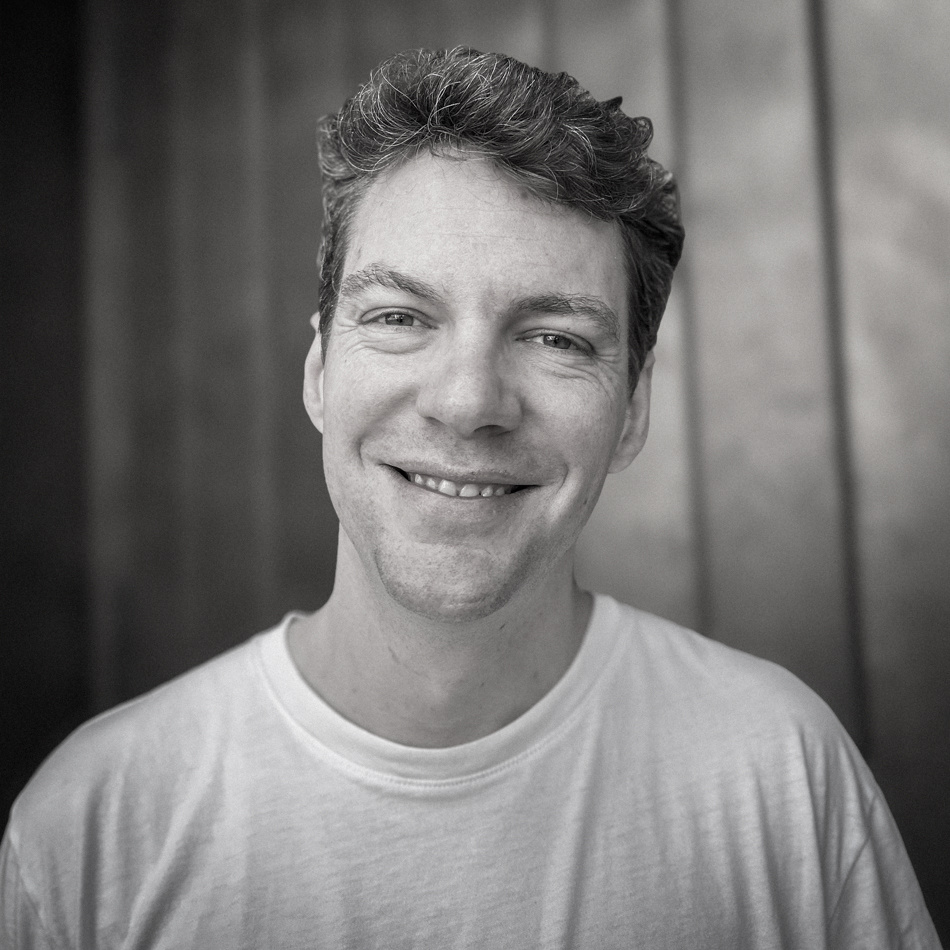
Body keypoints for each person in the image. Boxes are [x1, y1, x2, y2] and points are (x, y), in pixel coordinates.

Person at [1, 47, 940, 949]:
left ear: (632, 409)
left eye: (555, 338)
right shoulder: (92, 832)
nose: (466, 402)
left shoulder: (782, 773)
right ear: (320, 371)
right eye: (401, 317)